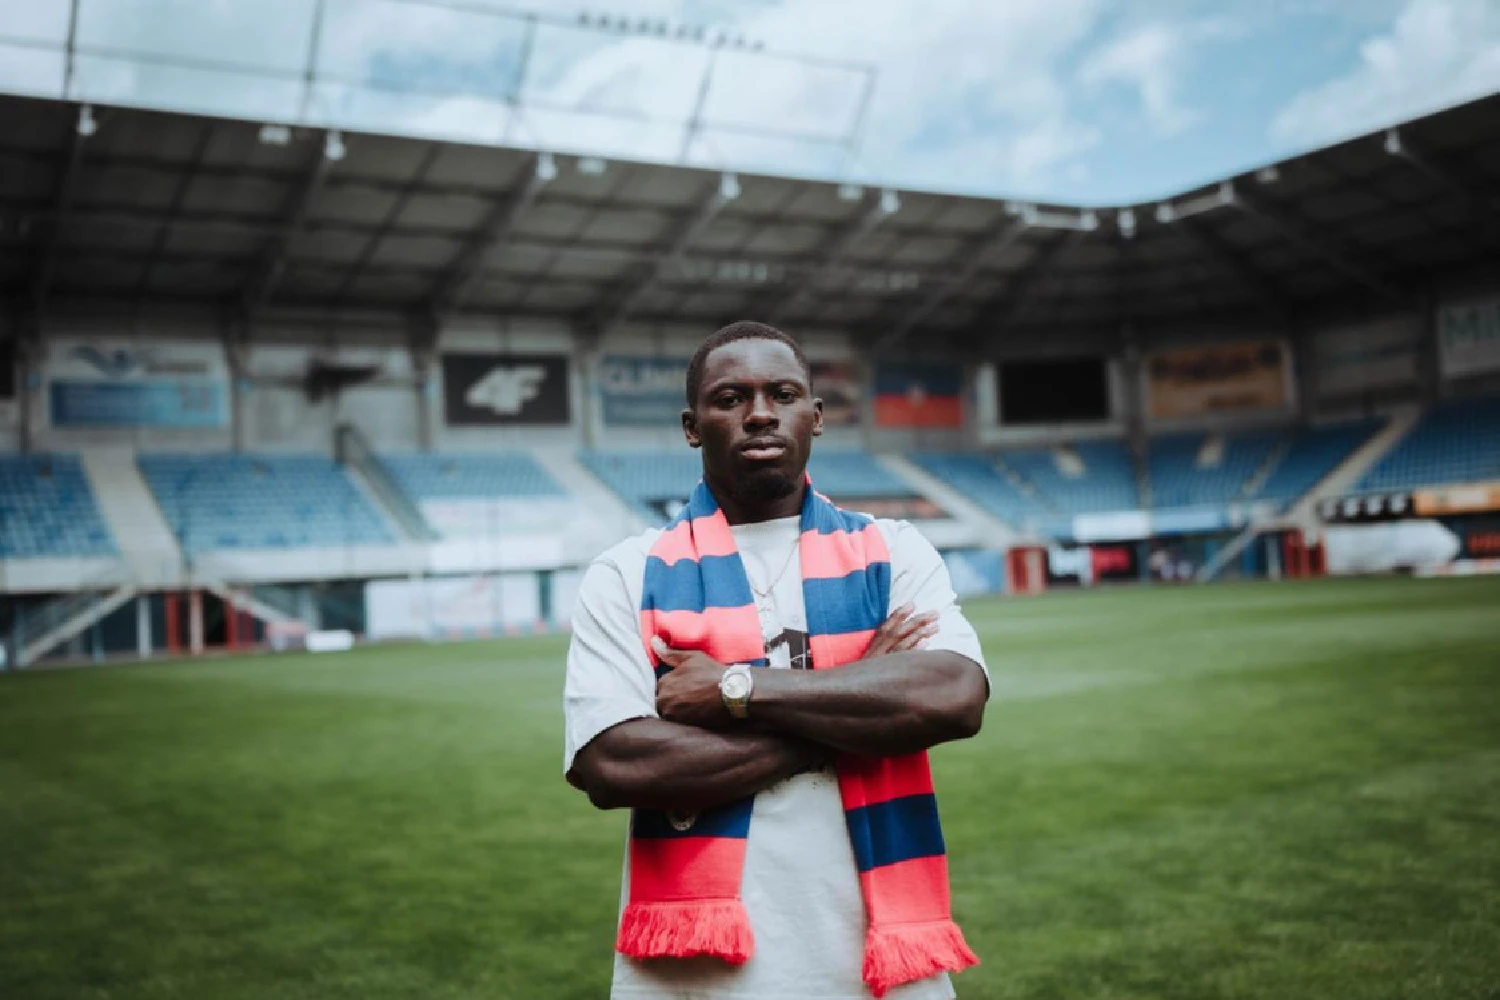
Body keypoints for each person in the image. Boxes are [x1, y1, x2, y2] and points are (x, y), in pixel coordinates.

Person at [564, 321, 990, 999]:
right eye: (730, 398)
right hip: (697, 975)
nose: (760, 413)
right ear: (692, 427)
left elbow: (955, 697)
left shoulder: (891, 549)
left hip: (879, 963)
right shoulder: (628, 572)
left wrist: (736, 690)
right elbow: (612, 765)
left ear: (815, 417)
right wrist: (858, 707)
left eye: (783, 394)